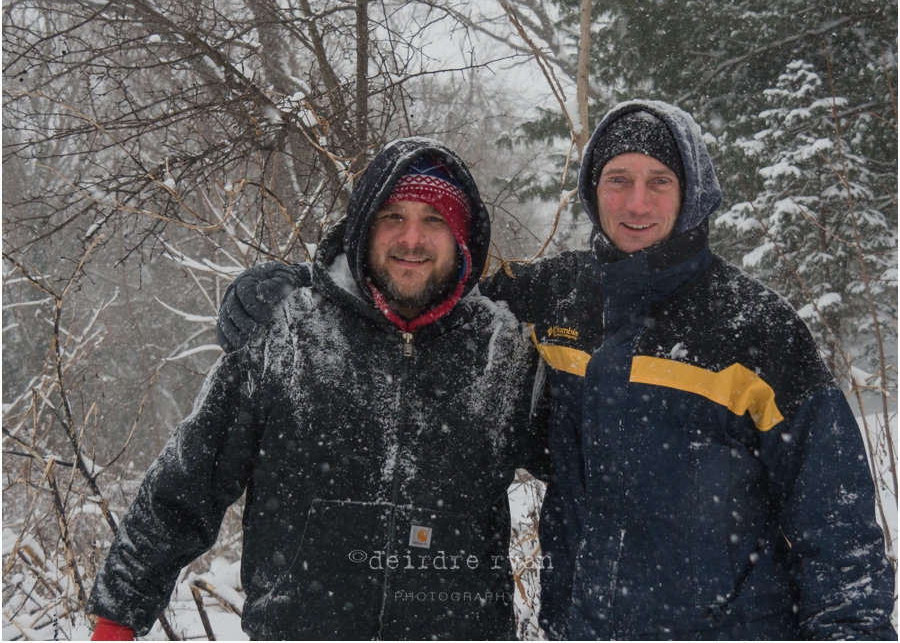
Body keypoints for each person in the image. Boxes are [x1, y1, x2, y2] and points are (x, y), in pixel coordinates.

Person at [218, 101, 896, 640]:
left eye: (660, 182)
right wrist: (298, 291)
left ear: (693, 192)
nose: (637, 203)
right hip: (582, 629)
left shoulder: (757, 327)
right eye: (618, 179)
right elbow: (424, 280)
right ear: (591, 189)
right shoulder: (558, 297)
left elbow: (836, 521)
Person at [87, 139, 549, 640]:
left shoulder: (502, 350)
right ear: (363, 227)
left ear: (461, 236)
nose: (411, 239)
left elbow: (591, 478)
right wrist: (117, 618)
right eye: (392, 216)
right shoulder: (288, 333)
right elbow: (186, 483)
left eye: (434, 219)